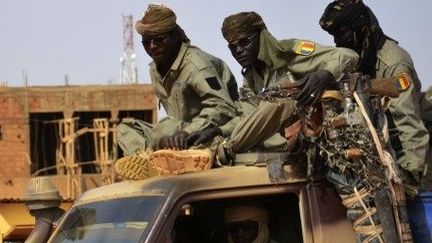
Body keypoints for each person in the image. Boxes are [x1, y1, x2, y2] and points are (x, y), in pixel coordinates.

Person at [188, 11, 358, 164]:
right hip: (274, 145)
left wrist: (324, 75)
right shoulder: (251, 78)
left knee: (280, 100)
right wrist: (218, 130)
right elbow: (248, 117)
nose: (238, 50)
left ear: (262, 37)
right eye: (232, 47)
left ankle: (223, 150)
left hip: (310, 138)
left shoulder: (290, 52)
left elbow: (348, 55)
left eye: (244, 42)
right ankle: (218, 148)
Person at [319, 0, 431, 197]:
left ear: (360, 26)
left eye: (342, 33)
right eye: (334, 35)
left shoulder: (394, 63)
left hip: (416, 153)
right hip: (387, 150)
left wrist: (409, 178)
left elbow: (410, 125)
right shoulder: (357, 59)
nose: (337, 42)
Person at [115, 4, 239, 180]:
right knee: (126, 128)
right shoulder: (156, 69)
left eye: (158, 39)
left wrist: (187, 132)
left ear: (174, 36)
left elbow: (223, 108)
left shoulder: (195, 66)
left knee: (165, 127)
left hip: (206, 133)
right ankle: (150, 161)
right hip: (177, 136)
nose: (152, 46)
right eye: (146, 41)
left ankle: (173, 159)